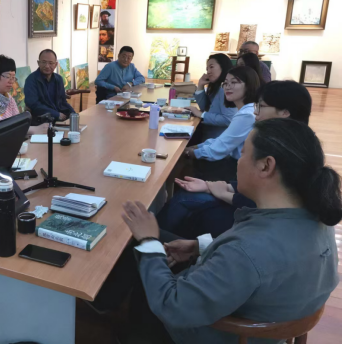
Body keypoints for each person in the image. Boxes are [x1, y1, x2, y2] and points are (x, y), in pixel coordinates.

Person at [119, 118, 341, 344]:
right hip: (264, 312)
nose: (238, 162)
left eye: (243, 154)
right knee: (156, 246)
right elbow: (259, 263)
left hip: (209, 332)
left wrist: (148, 240)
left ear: (266, 166)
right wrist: (199, 247)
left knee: (140, 247)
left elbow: (172, 306)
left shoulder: (246, 251)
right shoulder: (318, 217)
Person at [159, 80, 313, 239]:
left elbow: (264, 203)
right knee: (187, 197)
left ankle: (156, 240)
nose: (256, 112)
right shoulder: (294, 140)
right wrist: (214, 186)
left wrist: (223, 193)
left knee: (187, 203)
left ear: (285, 112)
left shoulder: (283, 149)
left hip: (252, 220)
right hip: (245, 203)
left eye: (261, 106)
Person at [184, 66, 259, 182]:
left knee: (184, 172)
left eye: (234, 82)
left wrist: (190, 152)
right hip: (234, 165)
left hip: (238, 171)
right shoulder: (246, 110)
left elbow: (220, 148)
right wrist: (196, 147)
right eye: (226, 83)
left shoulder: (246, 115)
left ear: (249, 85)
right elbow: (222, 140)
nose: (228, 86)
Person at [185, 53, 236, 140]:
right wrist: (200, 85)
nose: (208, 72)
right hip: (208, 136)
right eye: (207, 69)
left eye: (211, 67)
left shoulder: (226, 88)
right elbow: (205, 107)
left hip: (218, 139)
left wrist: (201, 114)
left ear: (223, 67)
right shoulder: (216, 86)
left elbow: (228, 119)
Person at [24, 49, 75, 122]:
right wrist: (56, 114)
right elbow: (34, 105)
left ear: (56, 64)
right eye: (44, 62)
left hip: (59, 117)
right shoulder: (31, 80)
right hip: (41, 120)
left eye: (51, 63)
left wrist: (73, 113)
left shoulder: (59, 79)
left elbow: (63, 101)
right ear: (38, 63)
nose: (47, 66)